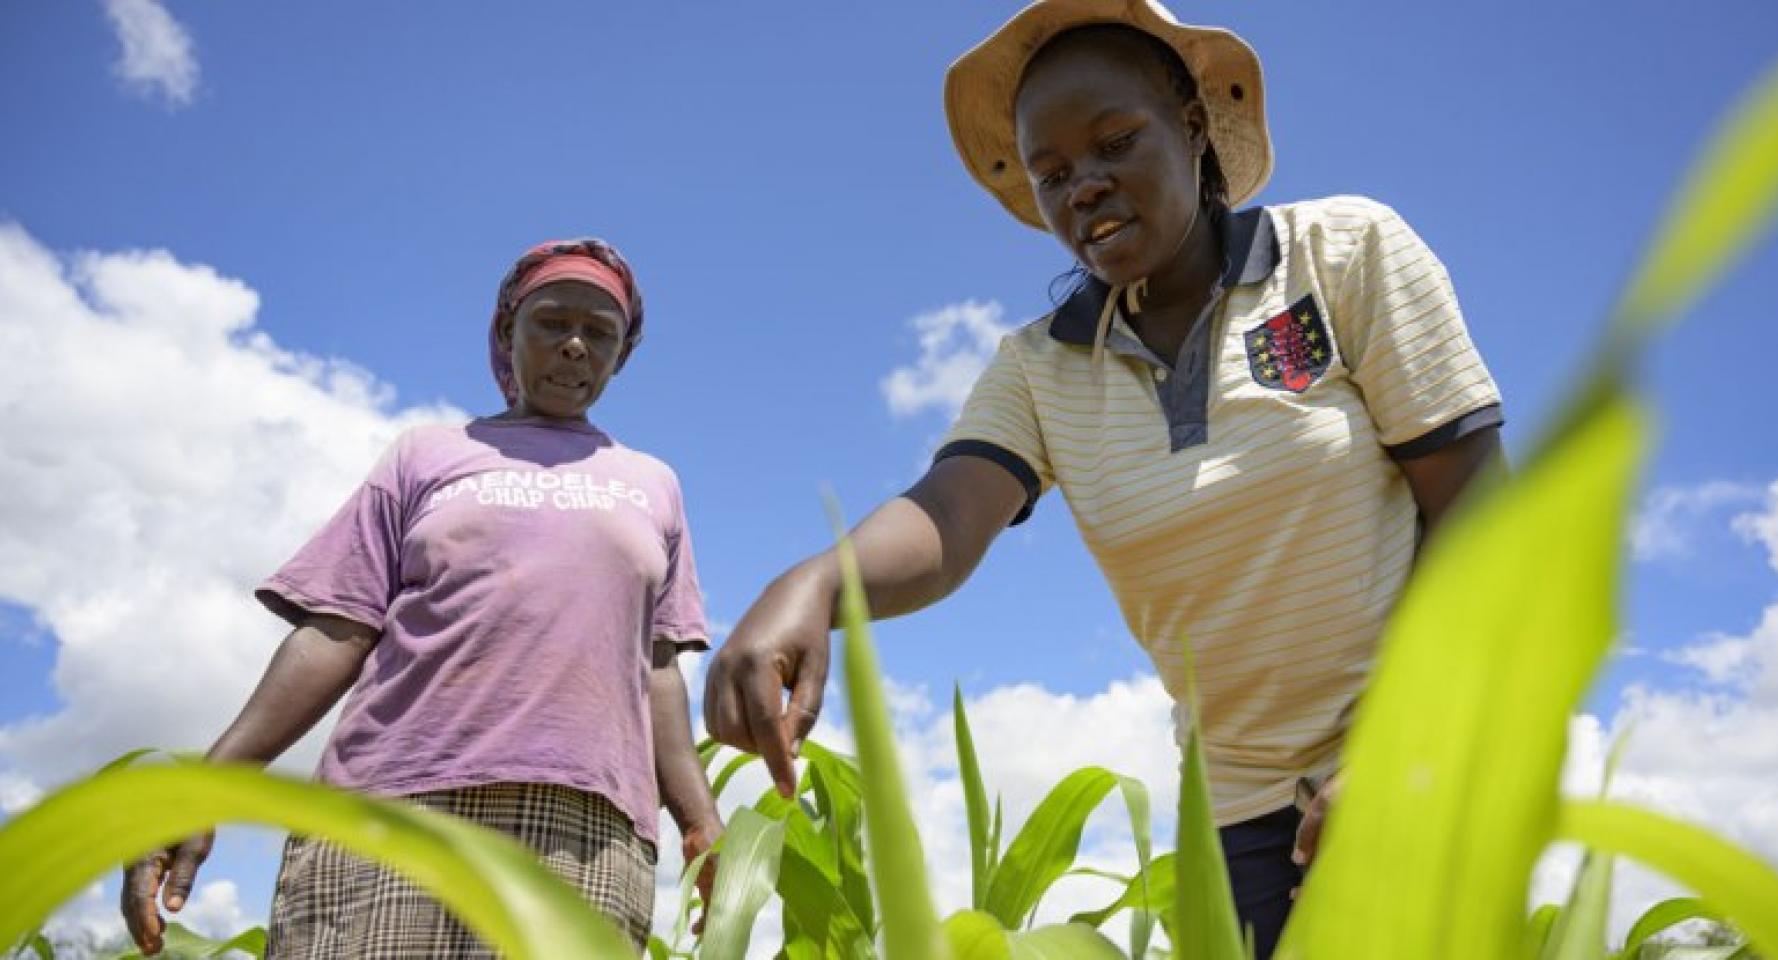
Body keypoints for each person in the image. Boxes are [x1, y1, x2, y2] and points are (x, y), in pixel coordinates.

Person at [703, 1, 1505, 954]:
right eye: (1051, 174)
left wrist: (1403, 744)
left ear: (1195, 128)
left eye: (1115, 142)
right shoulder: (1042, 367)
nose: (1082, 186)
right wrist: (808, 587)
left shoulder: (1340, 255)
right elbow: (946, 517)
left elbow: (1480, 515)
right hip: (1239, 821)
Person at [119, 239, 721, 958]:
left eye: (599, 333)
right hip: (393, 804)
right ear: (507, 332)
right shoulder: (425, 455)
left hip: (587, 827)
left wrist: (700, 819)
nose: (573, 346)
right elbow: (332, 633)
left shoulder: (653, 483)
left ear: (620, 356)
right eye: (551, 322)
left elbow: (655, 671)